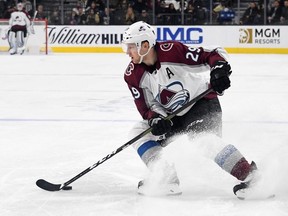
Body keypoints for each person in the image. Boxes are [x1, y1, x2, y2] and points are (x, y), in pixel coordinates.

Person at [121, 21, 258, 199]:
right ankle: (166, 178)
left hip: (200, 103)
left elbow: (211, 54)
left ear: (145, 45)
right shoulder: (132, 75)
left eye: (131, 47)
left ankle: (252, 177)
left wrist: (218, 70)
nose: (127, 52)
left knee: (203, 140)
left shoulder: (171, 51)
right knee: (138, 132)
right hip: (171, 116)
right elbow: (146, 107)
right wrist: (156, 119)